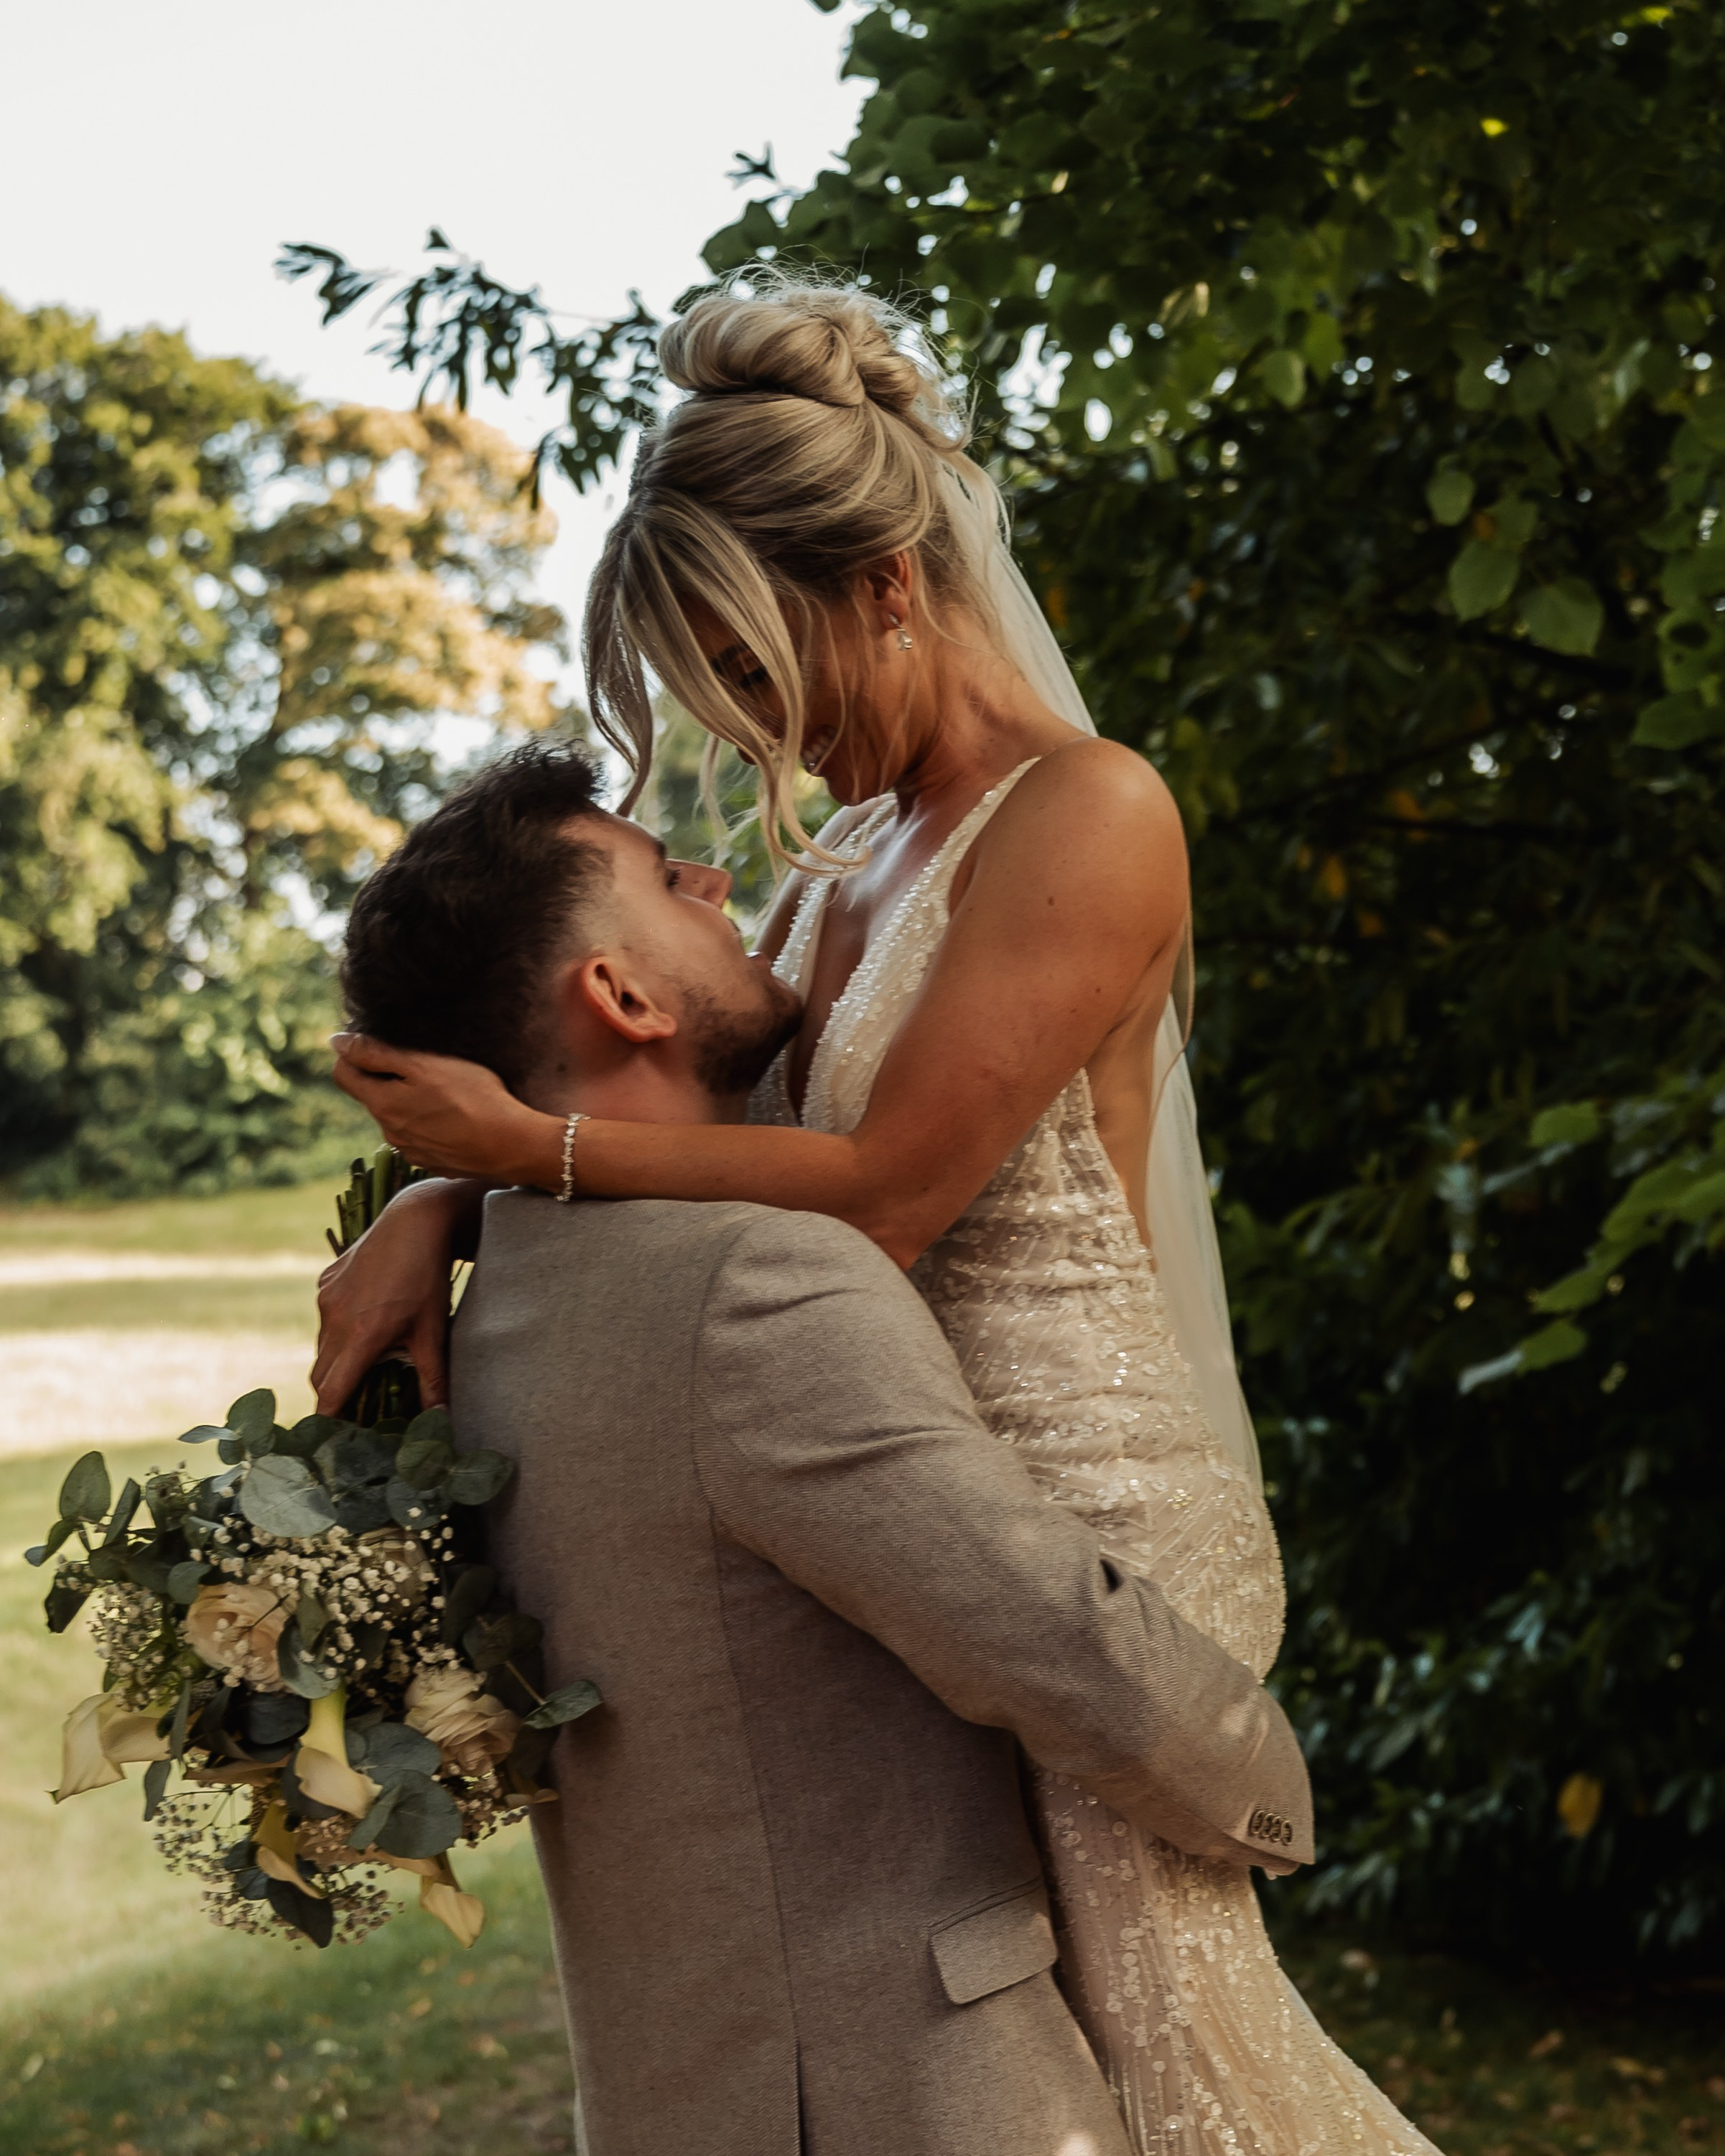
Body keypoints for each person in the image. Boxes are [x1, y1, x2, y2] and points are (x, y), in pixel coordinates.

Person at [315, 280, 1441, 2155]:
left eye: (765, 682)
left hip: (1092, 1505)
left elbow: (888, 1185)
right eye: (713, 702)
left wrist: (516, 1146)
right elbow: (704, 1120)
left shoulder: (1086, 812)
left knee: (1184, 2077)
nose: (759, 742)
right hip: (933, 1489)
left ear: (893, 588)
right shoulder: (848, 869)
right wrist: (449, 1189)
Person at [338, 743, 1313, 2156]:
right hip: (901, 2093)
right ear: (618, 993)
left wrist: (442, 1192)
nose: (721, 877)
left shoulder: (496, 1295)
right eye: (665, 880)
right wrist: (1273, 1793)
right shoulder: (757, 1283)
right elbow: (1044, 1630)